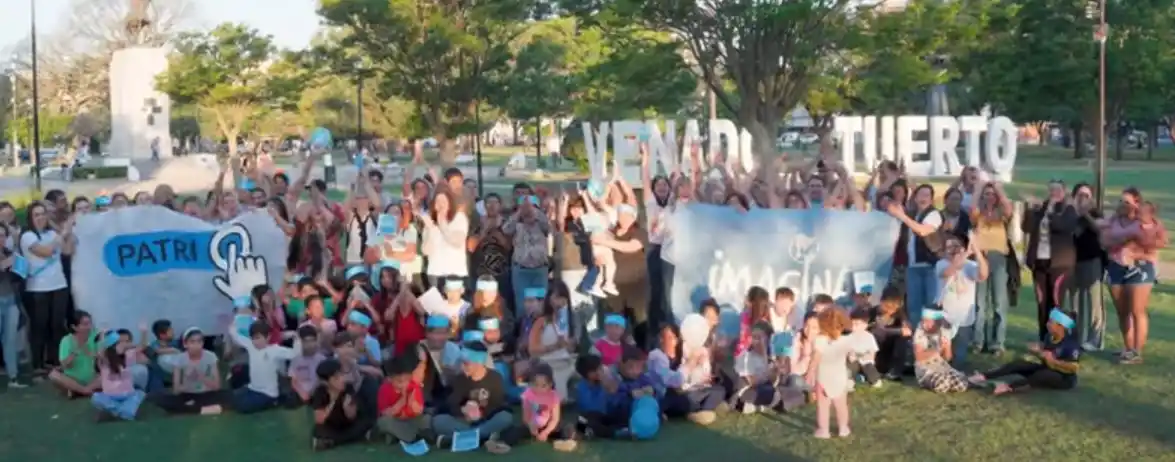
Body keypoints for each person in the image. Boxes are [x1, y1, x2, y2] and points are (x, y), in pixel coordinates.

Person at [968, 309, 1081, 395]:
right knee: (1019, 364)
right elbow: (1046, 355)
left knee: (1041, 375)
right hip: (1048, 368)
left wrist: (1053, 361)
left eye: (1051, 322)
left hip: (1064, 379)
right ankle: (983, 376)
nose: (1047, 324)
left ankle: (1008, 387)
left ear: (1061, 327)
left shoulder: (1070, 344)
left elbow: (1074, 368)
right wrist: (1038, 351)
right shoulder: (1048, 337)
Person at [21, 202, 76, 374]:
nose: (40, 218)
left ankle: (55, 361)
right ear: (30, 218)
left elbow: (67, 251)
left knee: (57, 325)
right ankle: (37, 364)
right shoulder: (27, 236)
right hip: (38, 288)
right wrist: (63, 234)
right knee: (40, 326)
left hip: (59, 284)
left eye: (43, 214)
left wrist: (68, 235)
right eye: (36, 215)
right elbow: (45, 252)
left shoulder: (52, 233)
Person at [1021, 180, 1079, 342]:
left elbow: (1063, 227)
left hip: (1059, 264)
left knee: (1055, 302)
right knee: (1042, 301)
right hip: (1039, 262)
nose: (1054, 193)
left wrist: (1051, 210)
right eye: (1051, 189)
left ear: (1064, 192)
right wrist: (1031, 210)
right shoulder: (1041, 209)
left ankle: (1057, 339)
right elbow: (1026, 227)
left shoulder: (1068, 210)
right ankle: (1043, 337)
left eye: (1058, 190)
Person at [431, 344, 514, 454]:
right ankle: (484, 438)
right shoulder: (460, 379)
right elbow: (451, 404)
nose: (462, 367)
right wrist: (463, 410)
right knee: (439, 421)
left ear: (479, 363)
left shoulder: (495, 377)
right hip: (464, 422)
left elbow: (498, 404)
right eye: (462, 363)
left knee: (505, 417)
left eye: (466, 364)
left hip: (486, 420)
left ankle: (459, 439)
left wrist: (481, 413)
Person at [885, 184, 943, 327]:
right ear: (915, 197)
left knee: (931, 306)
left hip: (930, 266)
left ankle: (932, 339)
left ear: (931, 199)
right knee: (914, 307)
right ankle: (916, 340)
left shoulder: (934, 214)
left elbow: (922, 231)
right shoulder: (912, 214)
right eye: (920, 195)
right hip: (912, 266)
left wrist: (901, 216)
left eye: (926, 195)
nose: (923, 198)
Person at [970, 180, 1016, 355]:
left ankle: (998, 343)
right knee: (980, 303)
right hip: (980, 256)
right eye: (986, 194)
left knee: (998, 302)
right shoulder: (978, 215)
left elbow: (1008, 207)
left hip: (998, 257)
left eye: (992, 194)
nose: (990, 197)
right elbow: (972, 207)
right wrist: (980, 187)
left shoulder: (1001, 214)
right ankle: (978, 341)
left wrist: (998, 188)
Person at [649, 317, 724, 424]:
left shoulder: (681, 353)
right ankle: (696, 412)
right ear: (661, 340)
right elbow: (673, 381)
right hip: (665, 397)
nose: (673, 343)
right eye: (668, 338)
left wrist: (702, 377)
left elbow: (689, 380)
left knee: (718, 390)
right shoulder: (656, 356)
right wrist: (691, 363)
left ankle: (702, 411)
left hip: (686, 392)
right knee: (683, 399)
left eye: (675, 339)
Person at [935, 234, 988, 366]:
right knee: (941, 357)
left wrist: (977, 251)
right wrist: (966, 253)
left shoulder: (970, 265)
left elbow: (983, 275)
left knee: (959, 360)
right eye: (949, 247)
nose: (953, 250)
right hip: (943, 317)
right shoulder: (941, 264)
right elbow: (949, 271)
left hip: (964, 319)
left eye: (956, 246)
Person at [1066, 183, 1106, 351]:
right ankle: (1077, 337)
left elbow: (1100, 230)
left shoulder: (1096, 214)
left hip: (1092, 260)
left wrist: (1086, 215)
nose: (1083, 198)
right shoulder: (1069, 214)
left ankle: (1095, 339)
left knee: (1093, 301)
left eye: (1086, 195)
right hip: (1073, 261)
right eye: (1080, 195)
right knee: (1074, 301)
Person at [505, 362, 579, 451]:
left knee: (568, 427)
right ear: (530, 383)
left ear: (550, 384)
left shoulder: (554, 396)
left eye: (543, 386)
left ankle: (567, 442)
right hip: (532, 425)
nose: (539, 389)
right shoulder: (527, 395)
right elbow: (526, 417)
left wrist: (546, 432)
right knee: (514, 431)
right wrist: (531, 426)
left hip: (549, 426)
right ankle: (502, 443)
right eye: (535, 385)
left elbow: (555, 419)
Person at [152, 328, 227, 415]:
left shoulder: (211, 356)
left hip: (207, 394)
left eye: (199, 341)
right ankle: (203, 409)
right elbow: (176, 390)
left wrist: (201, 377)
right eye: (192, 342)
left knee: (226, 396)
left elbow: (217, 386)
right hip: (187, 395)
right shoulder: (180, 359)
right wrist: (189, 381)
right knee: (162, 399)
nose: (196, 345)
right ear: (185, 344)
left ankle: (194, 409)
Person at [228, 320, 297, 413]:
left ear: (267, 337)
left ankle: (274, 401)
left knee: (242, 407)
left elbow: (293, 354)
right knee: (233, 397)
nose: (255, 341)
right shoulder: (251, 345)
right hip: (252, 388)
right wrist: (232, 327)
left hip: (268, 393)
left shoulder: (275, 350)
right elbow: (237, 337)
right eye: (253, 338)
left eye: (258, 338)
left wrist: (297, 340)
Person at [503, 195, 551, 315]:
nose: (528, 210)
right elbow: (506, 229)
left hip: (539, 270)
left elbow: (549, 228)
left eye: (532, 207)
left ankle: (538, 330)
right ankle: (523, 330)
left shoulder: (541, 221)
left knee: (540, 304)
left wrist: (535, 213)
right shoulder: (516, 222)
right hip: (521, 270)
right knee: (522, 306)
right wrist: (519, 213)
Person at [311, 358, 373, 451]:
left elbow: (352, 416)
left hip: (349, 424)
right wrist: (333, 401)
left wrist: (346, 408)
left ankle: (332, 442)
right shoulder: (320, 392)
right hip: (331, 425)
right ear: (327, 382)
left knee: (365, 423)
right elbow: (320, 420)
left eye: (342, 375)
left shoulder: (348, 387)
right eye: (336, 378)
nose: (342, 379)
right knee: (318, 430)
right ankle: (351, 439)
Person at [810, 309, 853, 439]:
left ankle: (824, 430)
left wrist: (810, 370)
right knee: (841, 405)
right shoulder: (846, 340)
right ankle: (843, 428)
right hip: (840, 377)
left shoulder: (820, 340)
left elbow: (816, 358)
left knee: (823, 406)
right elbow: (851, 356)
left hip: (823, 378)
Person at [92, 331, 147, 421]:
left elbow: (142, 346)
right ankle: (120, 410)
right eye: (119, 343)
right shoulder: (104, 361)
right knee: (96, 398)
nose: (124, 345)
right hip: (110, 396)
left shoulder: (127, 356)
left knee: (140, 394)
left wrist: (144, 331)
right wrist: (103, 337)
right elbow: (100, 350)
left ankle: (118, 411)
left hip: (128, 395)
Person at [376, 354, 430, 446]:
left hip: (411, 420)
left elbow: (418, 411)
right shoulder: (384, 389)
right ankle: (410, 436)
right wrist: (402, 400)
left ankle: (399, 436)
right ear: (390, 379)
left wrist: (411, 399)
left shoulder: (414, 387)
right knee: (383, 422)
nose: (403, 384)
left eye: (406, 380)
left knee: (426, 419)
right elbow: (387, 413)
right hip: (394, 420)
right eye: (399, 381)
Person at [420, 188, 469, 289]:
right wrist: (429, 229)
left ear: (450, 204)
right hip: (435, 273)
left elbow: (456, 242)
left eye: (443, 201)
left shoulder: (459, 218)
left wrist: (442, 223)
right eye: (437, 201)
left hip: (455, 273)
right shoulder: (430, 223)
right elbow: (426, 251)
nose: (440, 204)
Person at [913, 307, 969, 393]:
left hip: (942, 367)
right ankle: (934, 382)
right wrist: (938, 350)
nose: (925, 324)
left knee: (962, 384)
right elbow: (919, 356)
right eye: (924, 320)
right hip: (926, 368)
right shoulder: (920, 329)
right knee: (942, 385)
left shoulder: (944, 330)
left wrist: (947, 347)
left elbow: (947, 358)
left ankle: (947, 380)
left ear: (938, 322)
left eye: (929, 321)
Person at [574, 354, 628, 439]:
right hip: (591, 417)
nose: (599, 372)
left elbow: (614, 402)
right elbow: (589, 408)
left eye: (600, 369)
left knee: (623, 411)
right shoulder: (581, 387)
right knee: (582, 424)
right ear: (586, 373)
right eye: (595, 371)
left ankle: (617, 429)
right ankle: (615, 433)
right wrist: (604, 390)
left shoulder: (605, 381)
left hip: (606, 417)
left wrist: (612, 393)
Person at [48, 310, 99, 397]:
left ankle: (79, 390)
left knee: (109, 373)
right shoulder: (67, 340)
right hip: (73, 379)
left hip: (94, 378)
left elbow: (105, 356)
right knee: (53, 375)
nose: (89, 327)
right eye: (85, 324)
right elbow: (65, 365)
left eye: (89, 323)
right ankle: (85, 390)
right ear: (75, 327)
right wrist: (75, 352)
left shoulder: (96, 336)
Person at [868, 287, 911, 379]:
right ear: (881, 301)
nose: (889, 311)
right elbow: (875, 331)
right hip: (876, 350)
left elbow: (907, 331)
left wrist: (892, 331)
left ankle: (896, 371)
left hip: (891, 350)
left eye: (893, 308)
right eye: (887, 307)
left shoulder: (899, 314)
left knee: (902, 339)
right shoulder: (872, 313)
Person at [288, 326, 326, 406]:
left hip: (317, 392)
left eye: (312, 341)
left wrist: (313, 392)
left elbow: (324, 381)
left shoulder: (322, 359)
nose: (309, 344)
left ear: (316, 341)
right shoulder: (296, 359)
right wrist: (302, 393)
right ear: (301, 342)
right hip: (301, 393)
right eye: (306, 341)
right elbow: (294, 381)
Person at [846, 310, 881, 387]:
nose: (853, 327)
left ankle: (874, 380)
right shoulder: (849, 337)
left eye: (856, 324)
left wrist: (870, 359)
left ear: (865, 325)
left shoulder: (869, 337)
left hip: (866, 361)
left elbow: (873, 351)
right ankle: (850, 380)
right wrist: (850, 355)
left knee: (869, 367)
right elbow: (848, 351)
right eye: (852, 324)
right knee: (851, 367)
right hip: (854, 361)